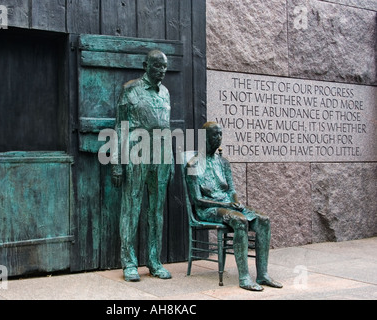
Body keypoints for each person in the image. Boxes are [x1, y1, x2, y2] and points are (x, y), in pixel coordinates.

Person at [185, 122, 282, 291]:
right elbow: (198, 200)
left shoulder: (223, 163)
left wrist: (235, 202)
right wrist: (226, 204)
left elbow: (232, 190)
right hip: (208, 209)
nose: (219, 138)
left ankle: (263, 275)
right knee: (240, 221)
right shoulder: (193, 165)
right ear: (204, 138)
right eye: (215, 135)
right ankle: (244, 277)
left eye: (220, 134)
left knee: (264, 220)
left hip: (229, 205)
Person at [112, 50, 173, 282]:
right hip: (137, 153)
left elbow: (165, 127)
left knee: (156, 211)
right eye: (158, 67)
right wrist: (117, 162)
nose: (162, 71)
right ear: (146, 65)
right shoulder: (131, 89)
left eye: (165, 67)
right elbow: (120, 127)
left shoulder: (166, 92)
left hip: (161, 157)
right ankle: (129, 263)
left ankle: (154, 261)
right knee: (131, 208)